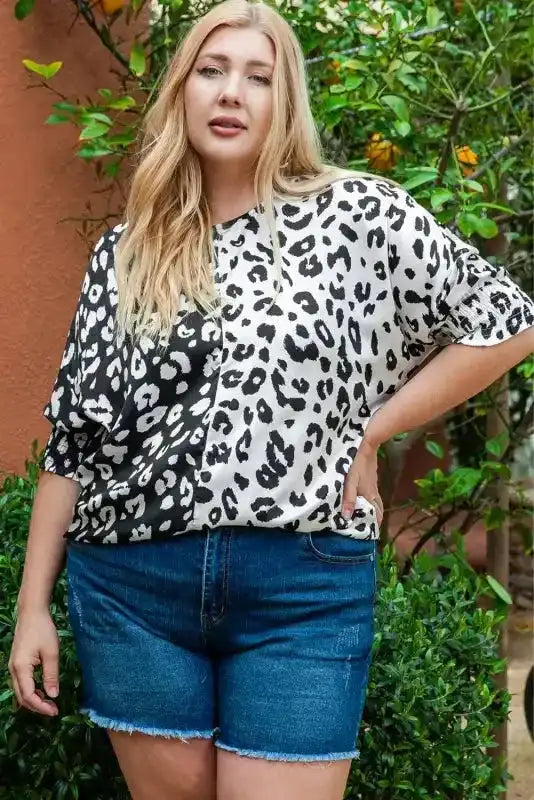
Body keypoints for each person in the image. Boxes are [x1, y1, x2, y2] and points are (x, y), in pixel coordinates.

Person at [8, 1, 534, 799]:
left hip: (302, 582)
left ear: (284, 100)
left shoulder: (359, 215)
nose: (231, 94)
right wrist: (31, 609)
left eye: (258, 77)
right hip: (131, 586)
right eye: (211, 72)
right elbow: (75, 443)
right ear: (181, 91)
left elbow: (508, 322)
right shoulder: (126, 252)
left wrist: (375, 427)